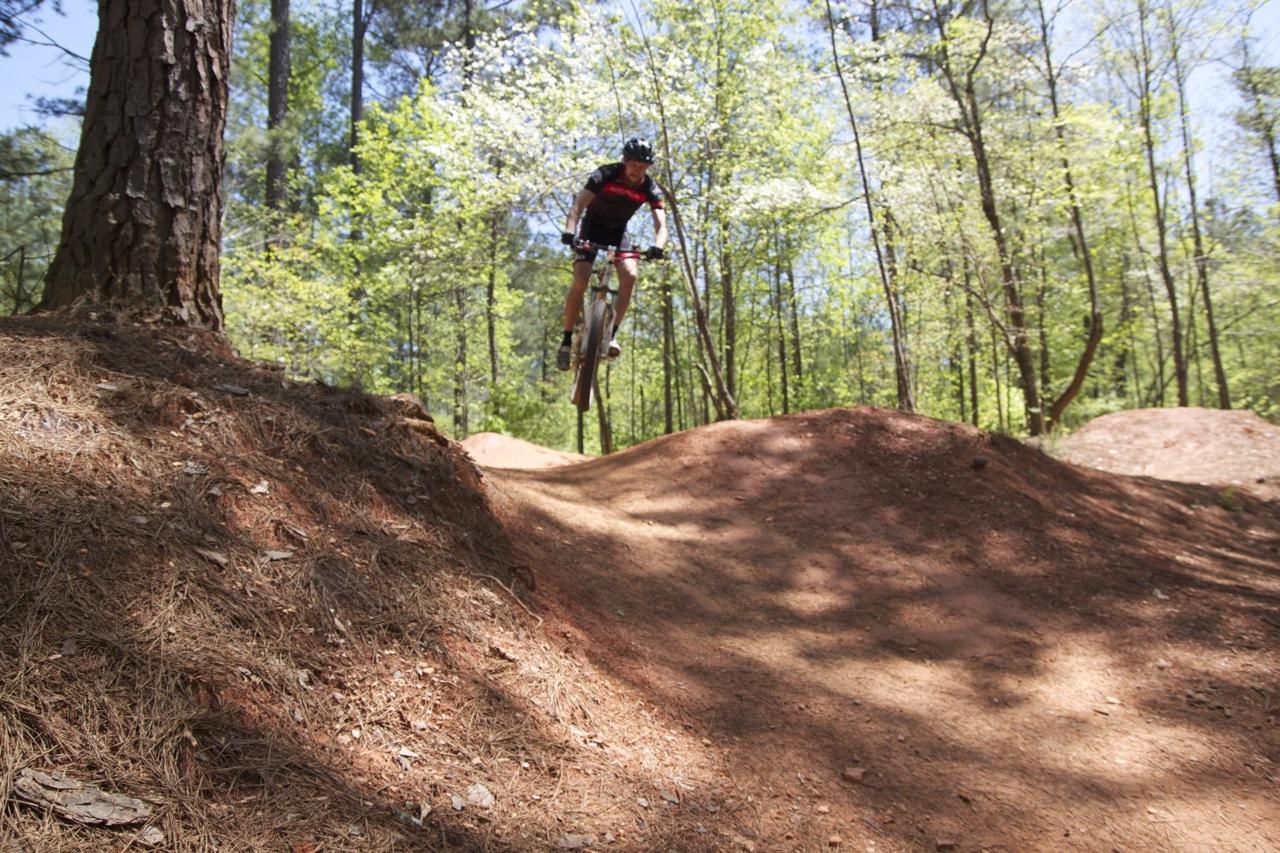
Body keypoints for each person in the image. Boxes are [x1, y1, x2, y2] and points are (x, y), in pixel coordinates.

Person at [557, 137, 668, 370]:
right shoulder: (605, 174)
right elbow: (578, 205)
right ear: (625, 161)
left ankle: (611, 335)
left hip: (619, 233)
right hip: (591, 228)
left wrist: (659, 245)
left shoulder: (650, 188)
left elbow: (661, 224)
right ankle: (566, 341)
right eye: (634, 164)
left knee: (630, 276)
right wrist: (570, 230)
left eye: (643, 166)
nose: (638, 170)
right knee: (580, 280)